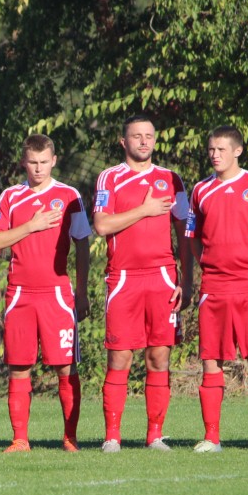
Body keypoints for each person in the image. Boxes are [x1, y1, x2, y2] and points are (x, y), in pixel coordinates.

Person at [92, 114, 193, 453]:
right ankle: (112, 436)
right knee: (119, 358)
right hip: (123, 280)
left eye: (149, 135)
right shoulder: (110, 178)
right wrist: (144, 209)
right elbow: (102, 226)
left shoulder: (171, 179)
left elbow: (184, 232)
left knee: (159, 358)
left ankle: (155, 435)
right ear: (124, 141)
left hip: (162, 278)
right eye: (137, 136)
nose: (144, 141)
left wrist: (187, 280)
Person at [0, 134, 90, 452]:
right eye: (33, 162)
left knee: (66, 366)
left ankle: (70, 438)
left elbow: (82, 245)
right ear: (24, 162)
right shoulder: (10, 197)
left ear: (54, 161)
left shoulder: (69, 196)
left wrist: (82, 292)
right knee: (19, 366)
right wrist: (30, 226)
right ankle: (20, 439)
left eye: (44, 162)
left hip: (57, 294)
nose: (39, 168)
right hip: (20, 294)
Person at [186, 126, 248, 453]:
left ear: (238, 151)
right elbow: (192, 237)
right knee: (211, 361)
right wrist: (205, 263)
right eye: (211, 149)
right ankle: (212, 437)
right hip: (214, 288)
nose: (215, 155)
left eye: (221, 149)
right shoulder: (200, 190)